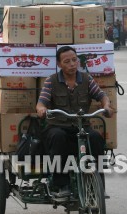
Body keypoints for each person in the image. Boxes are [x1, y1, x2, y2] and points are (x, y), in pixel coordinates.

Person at [36, 46, 114, 197]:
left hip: (81, 126)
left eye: (74, 60)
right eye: (67, 61)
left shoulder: (86, 79)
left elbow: (102, 95)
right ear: (59, 64)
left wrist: (106, 106)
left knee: (96, 138)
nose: (72, 64)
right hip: (58, 126)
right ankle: (61, 185)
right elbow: (41, 102)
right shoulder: (51, 81)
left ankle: (98, 185)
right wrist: (41, 109)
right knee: (57, 137)